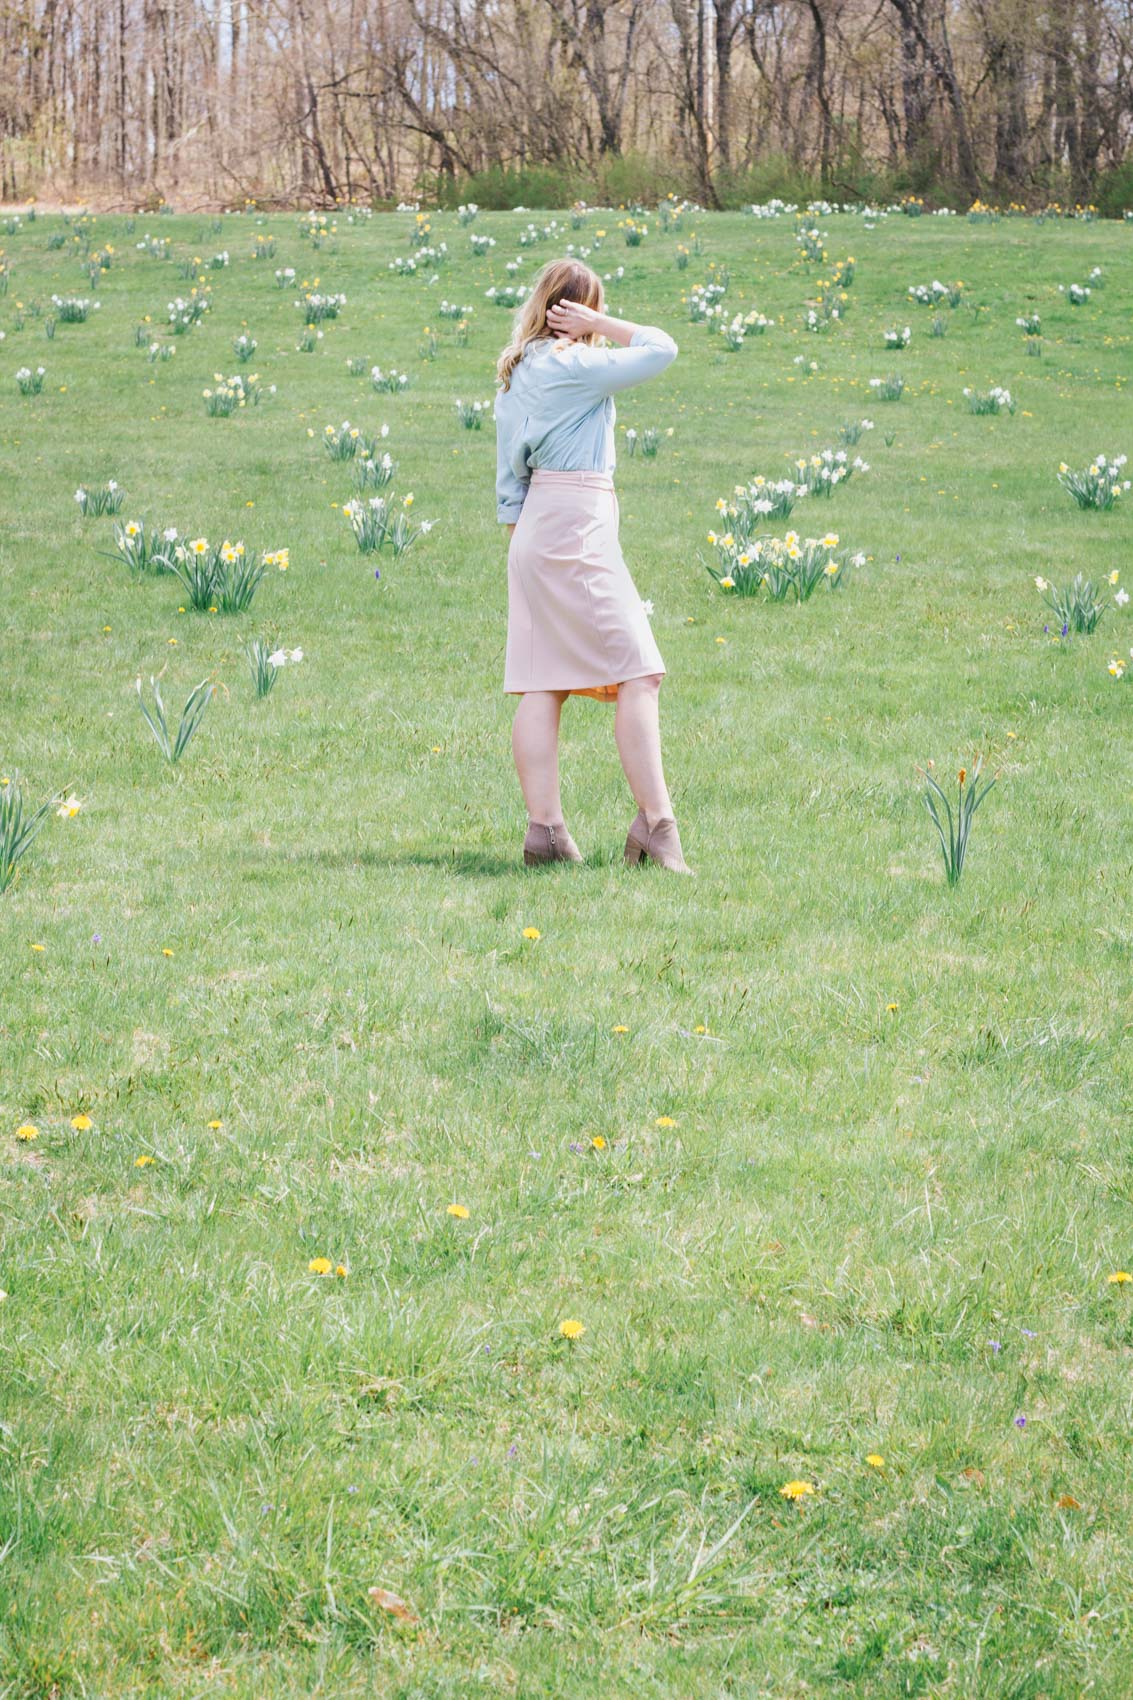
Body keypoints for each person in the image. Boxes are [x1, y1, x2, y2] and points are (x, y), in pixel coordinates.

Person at [494, 258, 693, 875]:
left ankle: (545, 833)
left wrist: (522, 527)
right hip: (576, 523)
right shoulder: (576, 364)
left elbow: (509, 473)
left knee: (543, 679)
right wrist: (603, 325)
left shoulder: (517, 369)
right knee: (641, 671)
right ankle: (656, 827)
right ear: (577, 310)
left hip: (533, 527)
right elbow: (663, 349)